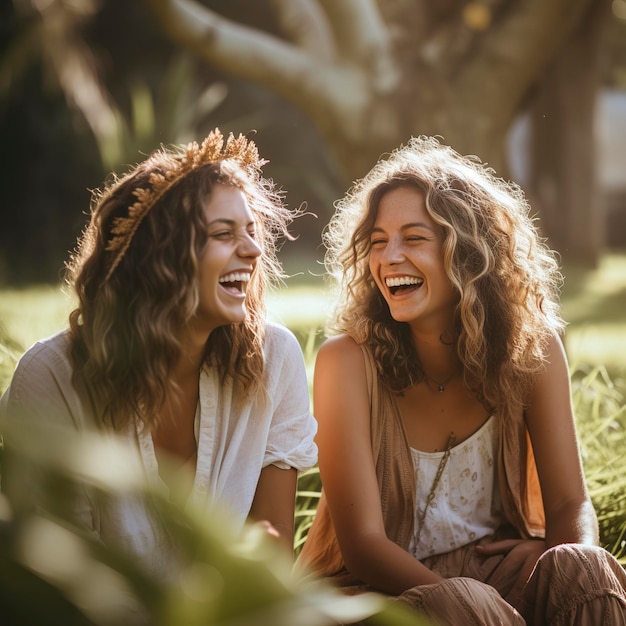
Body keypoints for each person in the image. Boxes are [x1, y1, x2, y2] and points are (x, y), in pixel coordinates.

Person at [298, 136, 626, 625]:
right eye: (378, 240)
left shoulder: (530, 349)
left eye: (413, 238)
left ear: (469, 254)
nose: (388, 257)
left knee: (586, 568)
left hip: (494, 574)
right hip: (376, 595)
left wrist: (560, 558)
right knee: (460, 604)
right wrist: (479, 606)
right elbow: (363, 547)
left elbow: (568, 502)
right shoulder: (346, 362)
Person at [1, 129, 317, 579]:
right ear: (159, 258)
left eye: (251, 231)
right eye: (223, 234)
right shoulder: (52, 379)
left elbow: (268, 565)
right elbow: (66, 585)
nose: (252, 249)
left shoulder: (275, 359)